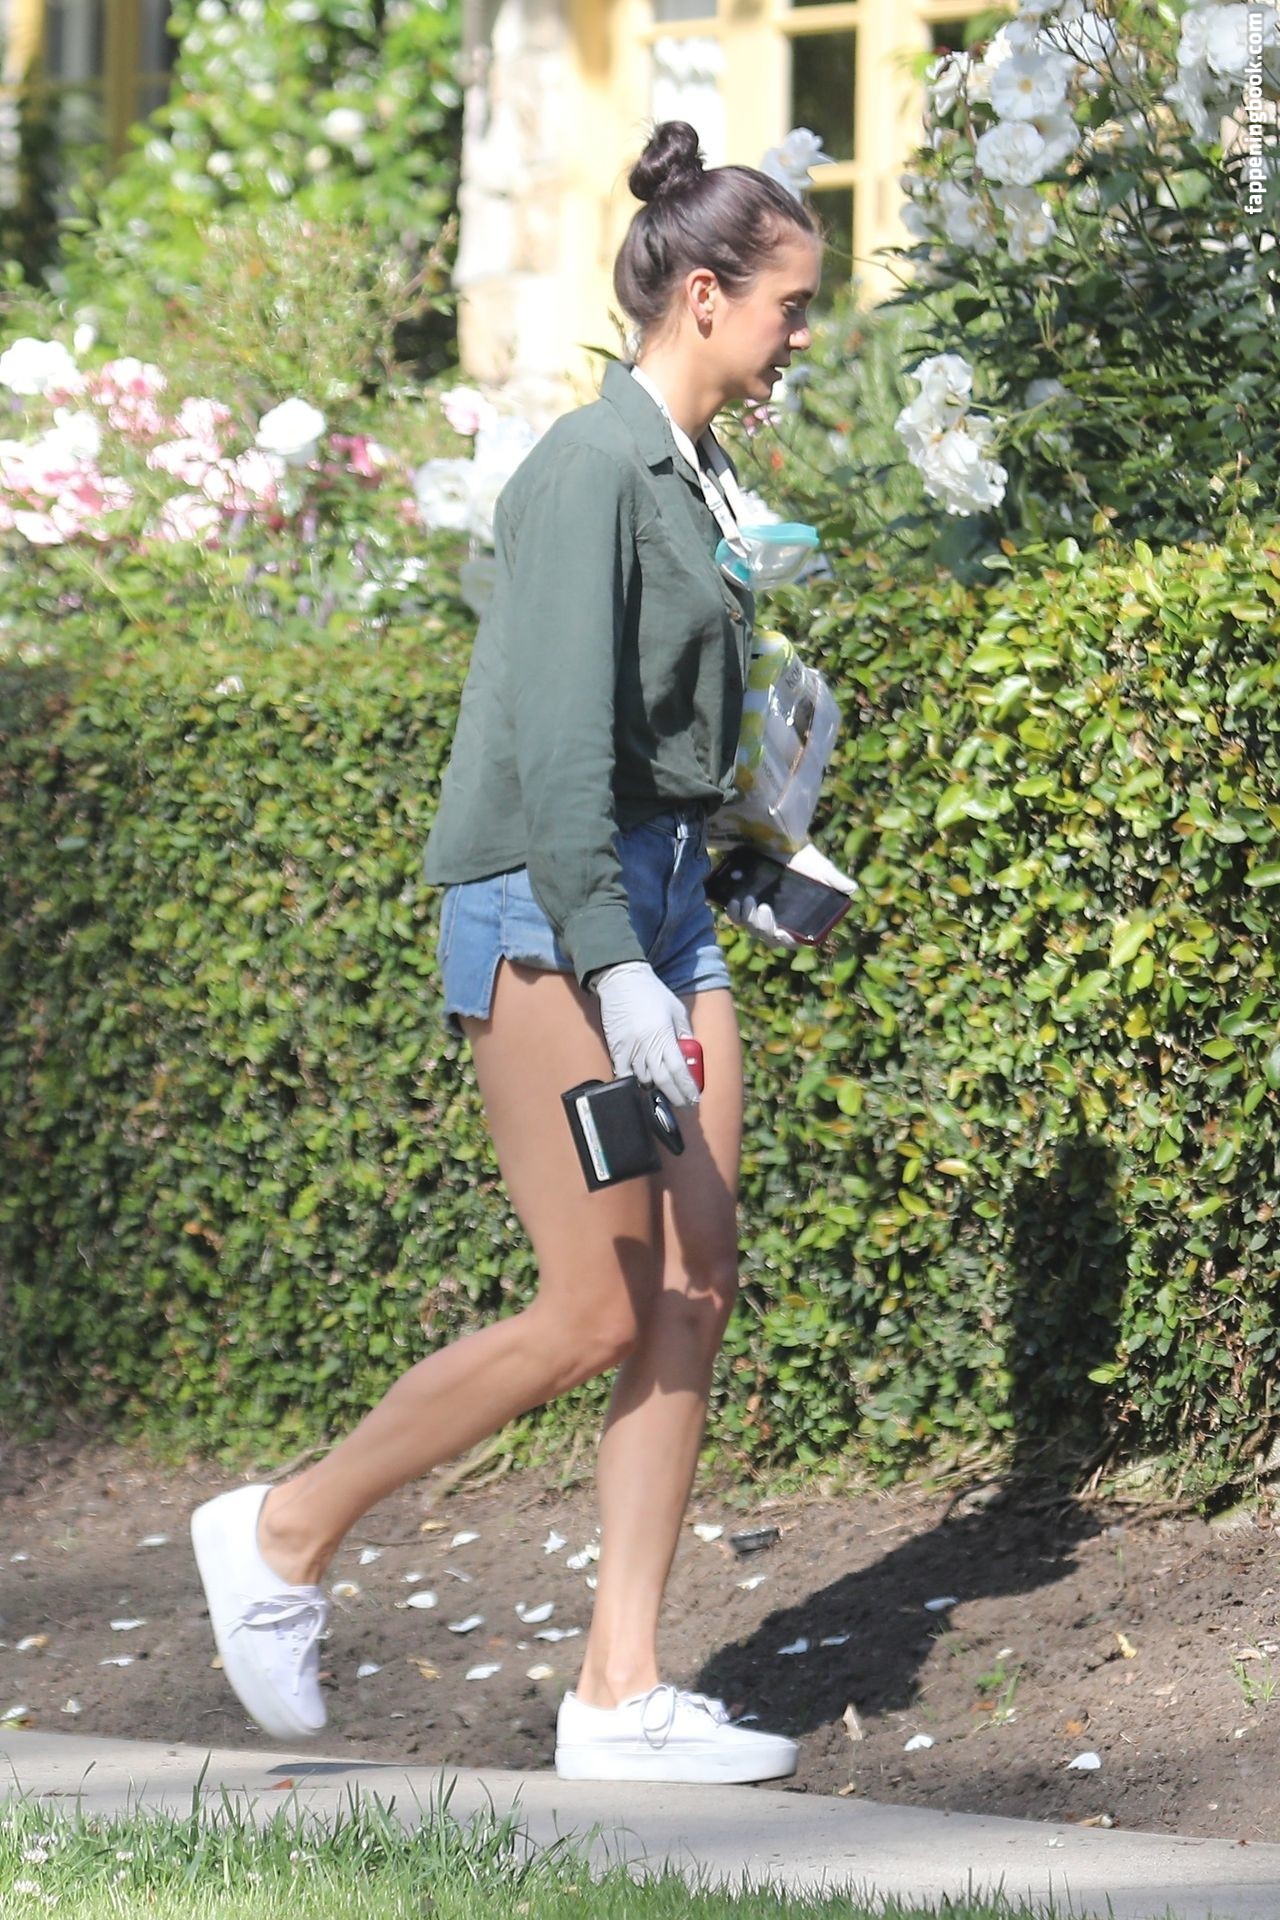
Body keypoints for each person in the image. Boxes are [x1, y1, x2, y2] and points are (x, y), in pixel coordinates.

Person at [191, 118, 824, 1784]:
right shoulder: (586, 469)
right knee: (593, 1308)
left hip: (662, 904)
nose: (802, 336)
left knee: (694, 1280)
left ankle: (619, 1695)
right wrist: (613, 964)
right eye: (790, 306)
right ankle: (280, 1532)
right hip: (556, 916)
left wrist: (753, 813)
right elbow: (550, 750)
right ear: (706, 294)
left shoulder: (694, 475)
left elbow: (641, 729)